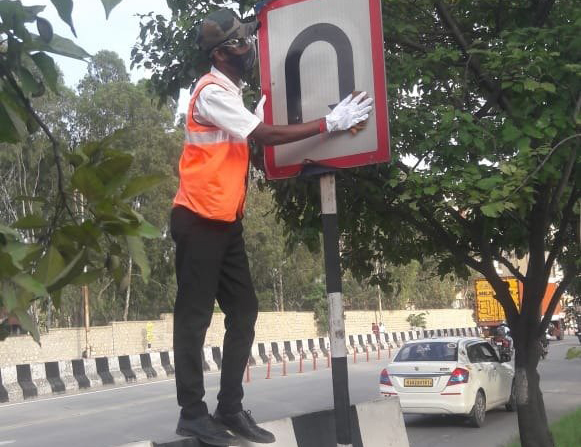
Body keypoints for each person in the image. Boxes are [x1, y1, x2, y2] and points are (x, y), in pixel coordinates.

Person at [170, 8, 374, 446]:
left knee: (244, 311)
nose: (249, 49)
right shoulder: (210, 93)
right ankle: (192, 413)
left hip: (226, 221)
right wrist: (329, 123)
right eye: (240, 44)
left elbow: (244, 136)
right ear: (221, 54)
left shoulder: (230, 90)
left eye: (247, 40)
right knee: (194, 318)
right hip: (197, 219)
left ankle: (229, 408)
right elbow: (264, 137)